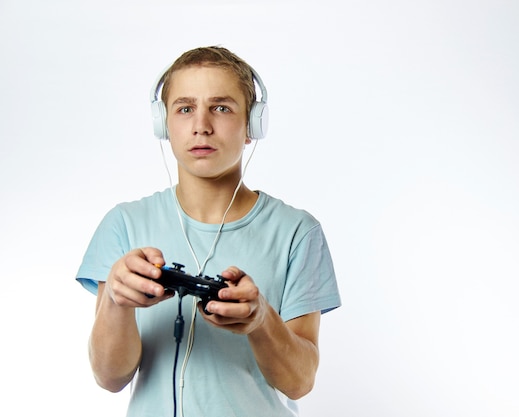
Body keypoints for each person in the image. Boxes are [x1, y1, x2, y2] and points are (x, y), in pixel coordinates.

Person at [76, 46, 341, 417]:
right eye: (185, 108)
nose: (201, 125)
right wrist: (117, 302)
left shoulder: (298, 231)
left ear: (252, 126)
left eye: (221, 107)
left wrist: (261, 320)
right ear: (163, 124)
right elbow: (110, 377)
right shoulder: (124, 224)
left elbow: (299, 381)